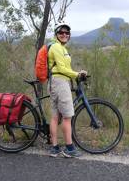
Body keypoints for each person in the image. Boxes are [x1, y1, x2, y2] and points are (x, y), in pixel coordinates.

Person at [48, 21, 87, 158]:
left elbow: (64, 68)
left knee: (55, 117)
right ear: (56, 34)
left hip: (55, 82)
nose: (64, 34)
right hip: (60, 83)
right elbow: (61, 69)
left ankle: (54, 148)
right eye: (61, 32)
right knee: (67, 117)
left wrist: (76, 73)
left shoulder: (59, 47)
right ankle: (70, 149)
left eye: (67, 33)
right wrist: (77, 74)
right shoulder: (57, 47)